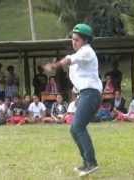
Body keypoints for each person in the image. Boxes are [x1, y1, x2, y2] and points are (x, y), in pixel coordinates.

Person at [43, 23, 102, 176]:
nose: (73, 42)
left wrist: (55, 65)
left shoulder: (87, 51)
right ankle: (86, 163)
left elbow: (69, 59)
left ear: (85, 40)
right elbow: (77, 77)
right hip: (85, 94)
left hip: (91, 94)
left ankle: (92, 163)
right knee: (74, 129)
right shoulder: (81, 55)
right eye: (72, 39)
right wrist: (75, 97)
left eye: (77, 39)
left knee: (77, 128)